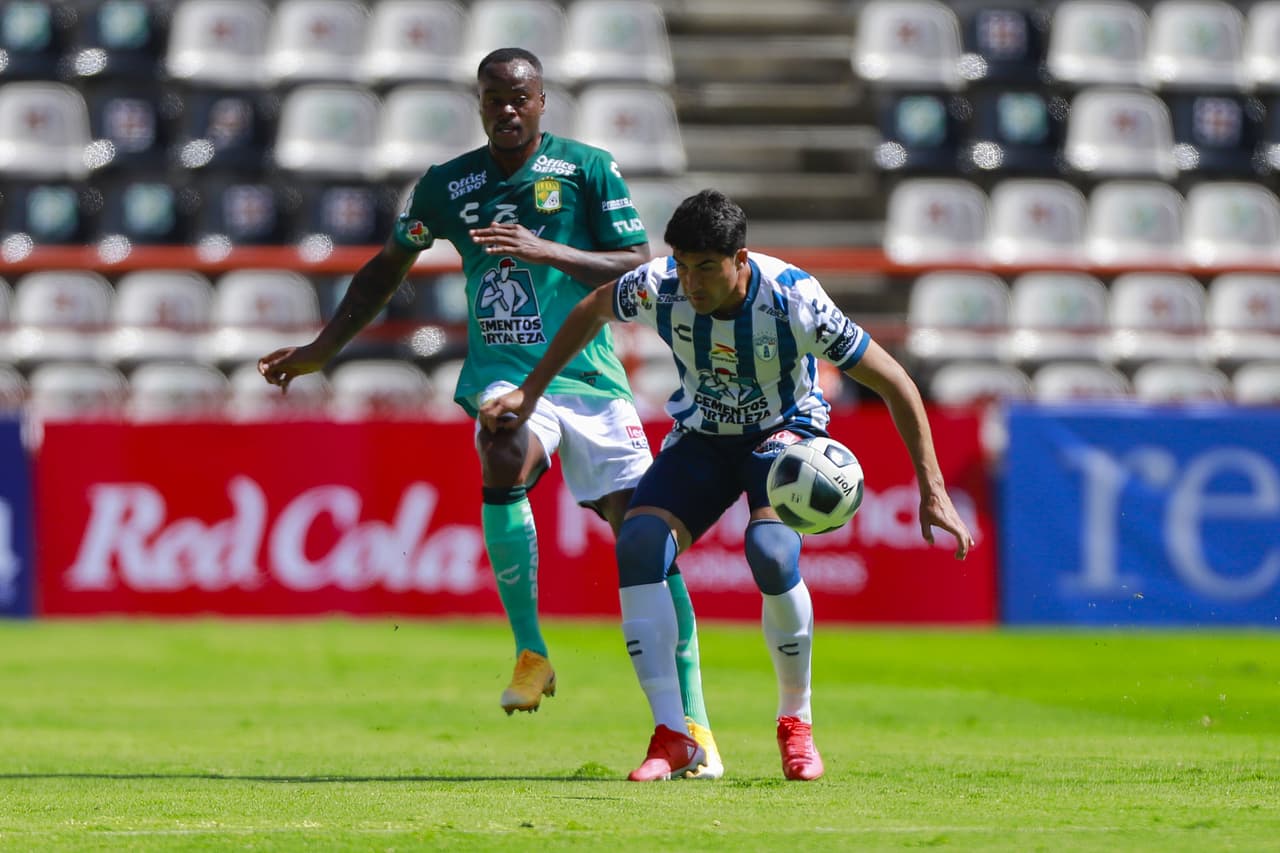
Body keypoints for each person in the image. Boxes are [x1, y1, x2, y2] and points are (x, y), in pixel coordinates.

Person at [258, 48, 722, 777]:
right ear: (478, 103)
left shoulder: (587, 168)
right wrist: (323, 350)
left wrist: (543, 248)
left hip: (591, 380)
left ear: (541, 102)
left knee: (645, 541)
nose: (506, 109)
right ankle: (532, 651)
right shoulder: (448, 185)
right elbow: (387, 267)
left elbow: (640, 263)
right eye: (493, 98)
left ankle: (692, 721)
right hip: (506, 375)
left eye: (519, 97)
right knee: (501, 446)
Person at [479, 189, 975, 782]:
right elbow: (591, 308)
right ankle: (673, 735)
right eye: (683, 265)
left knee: (770, 553)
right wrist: (529, 393)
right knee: (638, 543)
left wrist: (933, 490)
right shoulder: (659, 285)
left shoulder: (794, 300)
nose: (691, 282)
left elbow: (894, 381)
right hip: (703, 438)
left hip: (783, 434)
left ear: (740, 259)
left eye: (706, 268)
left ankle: (796, 722)